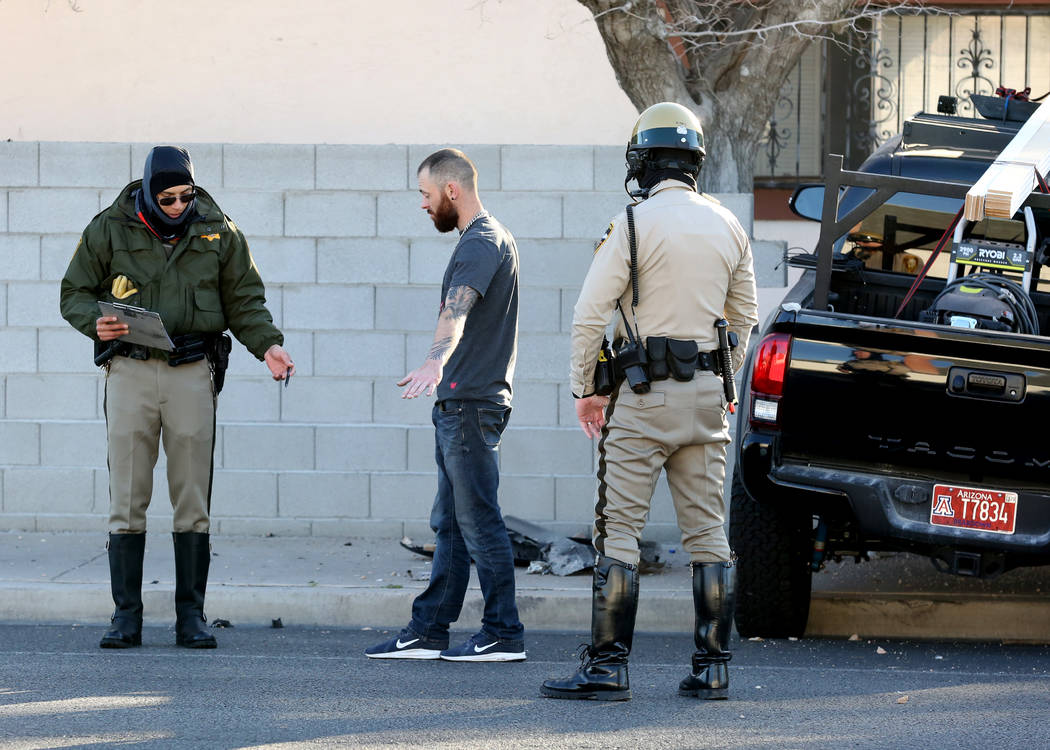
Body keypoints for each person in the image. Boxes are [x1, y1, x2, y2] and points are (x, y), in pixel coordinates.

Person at [541, 103, 759, 701]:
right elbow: (744, 317)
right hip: (709, 403)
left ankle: (608, 668)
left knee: (618, 533)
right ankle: (712, 668)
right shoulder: (728, 224)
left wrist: (586, 390)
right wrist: (723, 380)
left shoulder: (631, 226)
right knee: (709, 535)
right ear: (694, 162)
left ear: (643, 160)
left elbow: (591, 314)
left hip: (641, 400)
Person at [60, 145, 294, 650]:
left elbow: (244, 300)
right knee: (127, 496)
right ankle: (127, 617)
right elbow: (73, 292)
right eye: (166, 198)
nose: (177, 206)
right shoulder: (109, 227)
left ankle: (192, 616)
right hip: (129, 369)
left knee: (192, 499)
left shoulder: (218, 231)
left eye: (185, 196)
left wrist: (268, 345)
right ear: (147, 191)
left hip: (191, 371)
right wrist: (94, 324)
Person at [364, 148, 525, 662]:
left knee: (479, 521)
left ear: (451, 191)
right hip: (463, 405)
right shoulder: (487, 238)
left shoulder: (481, 243)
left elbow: (456, 310)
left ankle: (503, 633)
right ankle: (429, 628)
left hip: (471, 406)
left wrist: (435, 362)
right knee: (452, 523)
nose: (424, 205)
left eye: (426, 195)